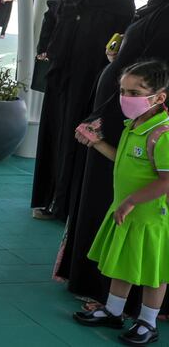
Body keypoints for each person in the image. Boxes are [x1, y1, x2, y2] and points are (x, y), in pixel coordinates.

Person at [56, 0, 169, 310]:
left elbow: (156, 73)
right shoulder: (156, 7)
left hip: (136, 128)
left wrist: (113, 105)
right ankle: (108, 294)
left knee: (125, 211)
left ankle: (120, 299)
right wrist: (117, 59)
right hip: (120, 120)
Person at [31, 0, 135, 222]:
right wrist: (46, 50)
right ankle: (51, 199)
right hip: (63, 82)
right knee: (57, 138)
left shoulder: (123, 2)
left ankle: (70, 207)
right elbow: (50, 22)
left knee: (82, 142)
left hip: (96, 85)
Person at [72, 60, 169, 346]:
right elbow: (124, 162)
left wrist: (129, 202)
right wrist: (97, 143)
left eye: (135, 93)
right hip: (128, 213)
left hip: (152, 219)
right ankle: (114, 311)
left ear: (159, 97)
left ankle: (148, 322)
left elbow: (166, 181)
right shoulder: (134, 125)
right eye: (123, 91)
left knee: (153, 273)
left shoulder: (162, 134)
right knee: (123, 263)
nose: (126, 98)